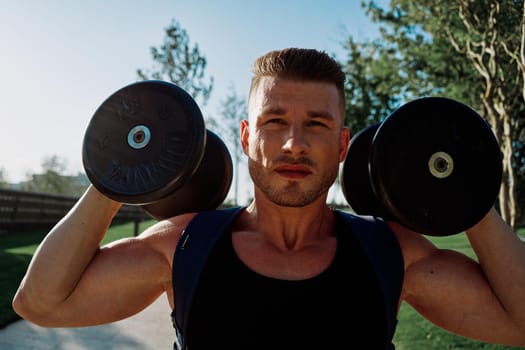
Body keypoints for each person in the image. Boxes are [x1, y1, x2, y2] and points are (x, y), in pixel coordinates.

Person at [12, 48, 525, 349]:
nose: (294, 144)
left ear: (344, 144)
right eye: (274, 121)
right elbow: (41, 301)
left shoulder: (390, 251)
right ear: (244, 136)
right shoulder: (185, 246)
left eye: (317, 125)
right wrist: (117, 175)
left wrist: (467, 194)